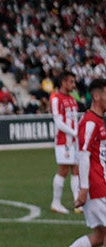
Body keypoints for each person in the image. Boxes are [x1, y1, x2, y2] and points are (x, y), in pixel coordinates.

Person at [47, 78, 106, 247]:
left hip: (99, 184)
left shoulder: (98, 121)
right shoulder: (90, 122)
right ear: (97, 96)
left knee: (100, 236)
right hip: (96, 187)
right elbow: (83, 155)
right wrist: (84, 189)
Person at [50, 71, 81, 214]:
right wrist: (75, 132)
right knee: (63, 170)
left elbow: (74, 119)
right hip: (64, 141)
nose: (73, 85)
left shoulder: (73, 99)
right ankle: (56, 203)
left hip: (74, 141)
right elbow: (58, 122)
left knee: (76, 170)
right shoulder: (56, 98)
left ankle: (78, 203)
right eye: (71, 82)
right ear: (63, 82)